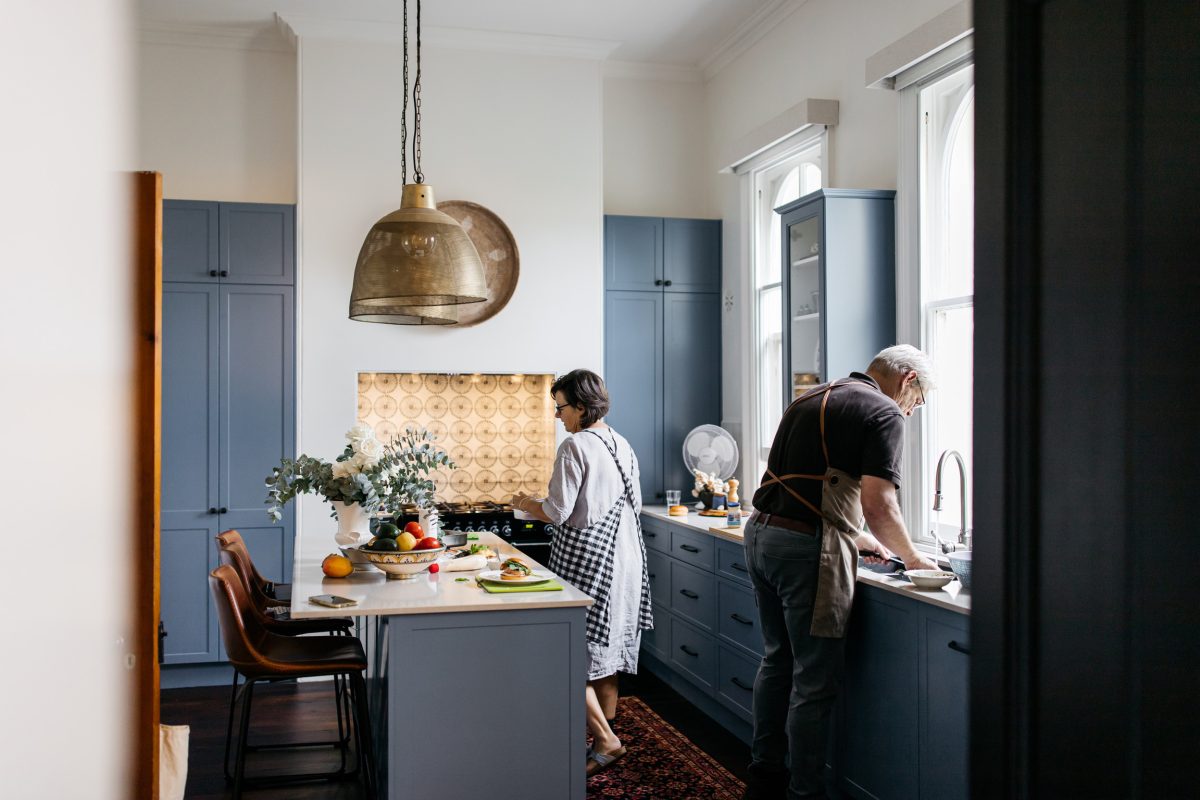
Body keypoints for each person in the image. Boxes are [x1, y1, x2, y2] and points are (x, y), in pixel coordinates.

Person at [743, 345, 940, 800]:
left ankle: (764, 772)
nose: (911, 413)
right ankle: (805, 792)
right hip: (803, 552)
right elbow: (880, 504)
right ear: (907, 380)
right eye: (917, 401)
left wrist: (858, 539)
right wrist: (913, 558)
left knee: (777, 661)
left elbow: (808, 485)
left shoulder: (810, 398)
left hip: (761, 537)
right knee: (814, 681)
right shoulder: (883, 411)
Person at [512, 369, 653, 779]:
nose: (558, 416)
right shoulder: (622, 444)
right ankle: (601, 740)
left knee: (567, 654)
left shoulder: (575, 446)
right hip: (627, 559)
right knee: (604, 657)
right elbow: (636, 504)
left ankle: (605, 740)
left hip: (591, 564)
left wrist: (525, 502)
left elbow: (557, 512)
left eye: (561, 407)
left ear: (581, 406)